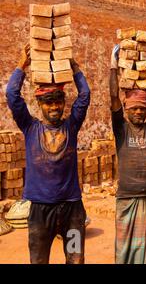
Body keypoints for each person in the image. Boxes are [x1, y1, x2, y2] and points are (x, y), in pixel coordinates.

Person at [6, 44, 91, 264]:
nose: (54, 107)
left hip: (72, 211)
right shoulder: (30, 127)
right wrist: (21, 65)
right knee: (39, 260)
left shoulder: (71, 126)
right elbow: (12, 95)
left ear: (64, 103)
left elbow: (85, 95)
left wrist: (73, 67)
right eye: (48, 103)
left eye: (58, 102)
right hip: (40, 212)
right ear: (39, 105)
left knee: (75, 258)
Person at [110, 44, 146, 264]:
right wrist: (113, 67)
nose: (139, 112)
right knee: (124, 252)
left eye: (142, 108)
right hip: (126, 199)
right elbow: (113, 97)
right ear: (127, 109)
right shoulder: (121, 129)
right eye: (134, 108)